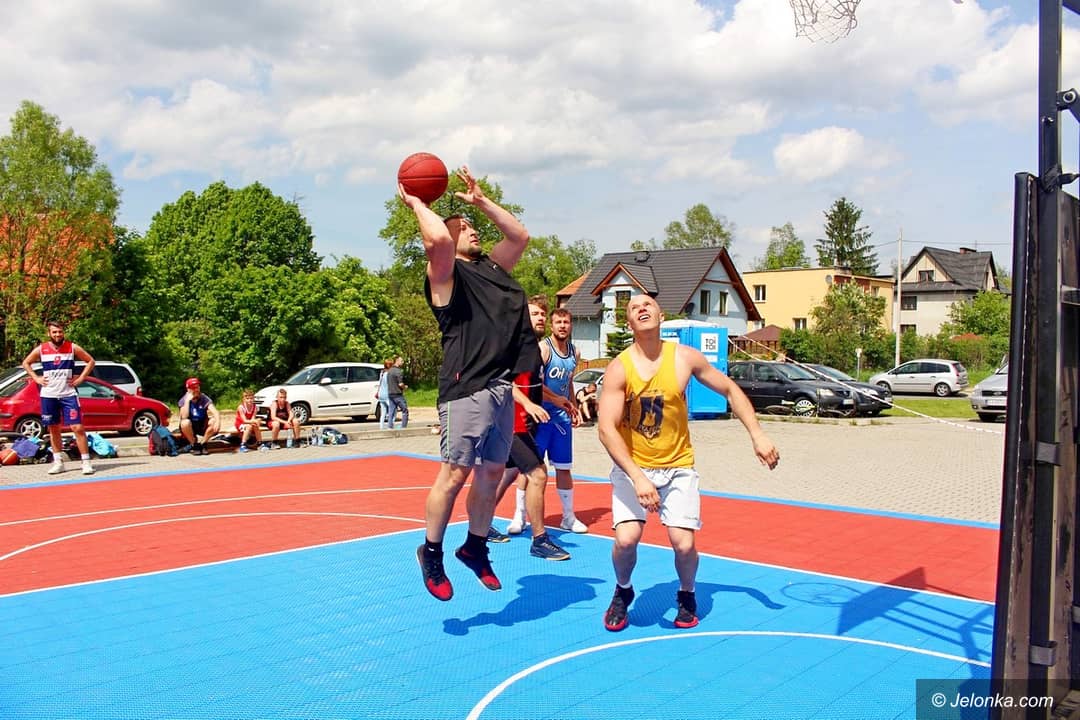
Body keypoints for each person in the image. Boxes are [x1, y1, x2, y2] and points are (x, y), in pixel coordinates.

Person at [597, 294, 780, 632]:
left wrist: (757, 434)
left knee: (683, 544)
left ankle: (686, 593)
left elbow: (730, 390)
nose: (642, 308)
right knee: (626, 540)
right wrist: (637, 477)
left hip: (677, 466)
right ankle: (623, 590)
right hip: (633, 467)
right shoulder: (620, 368)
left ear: (660, 315)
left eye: (648, 304)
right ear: (629, 323)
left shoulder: (684, 357)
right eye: (634, 307)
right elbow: (606, 429)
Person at [400, 165, 540, 602]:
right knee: (456, 472)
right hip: (466, 386)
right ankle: (431, 551)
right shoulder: (446, 277)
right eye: (463, 228)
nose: (472, 230)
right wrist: (417, 203)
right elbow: (438, 243)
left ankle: (475, 547)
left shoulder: (493, 269)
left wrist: (481, 201)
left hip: (500, 386)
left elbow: (519, 236)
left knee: (493, 471)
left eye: (473, 226)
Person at [493, 296, 570, 560]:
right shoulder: (513, 347)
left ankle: (480, 525)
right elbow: (505, 384)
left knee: (506, 474)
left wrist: (556, 399)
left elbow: (535, 385)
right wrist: (528, 404)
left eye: (542, 314)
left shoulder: (533, 349)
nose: (540, 318)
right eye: (534, 314)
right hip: (511, 423)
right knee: (538, 474)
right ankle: (539, 539)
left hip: (527, 423)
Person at [20, 320, 96, 475]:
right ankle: (58, 462)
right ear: (49, 333)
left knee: (77, 427)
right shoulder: (41, 349)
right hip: (49, 394)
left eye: (60, 331)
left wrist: (81, 378)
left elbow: (90, 361)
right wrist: (36, 378)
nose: (57, 334)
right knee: (54, 428)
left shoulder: (72, 347)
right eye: (54, 332)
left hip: (68, 393)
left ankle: (86, 462)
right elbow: (26, 363)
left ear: (63, 332)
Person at [534, 307, 586, 533]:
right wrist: (555, 400)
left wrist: (574, 407)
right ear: (551, 325)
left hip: (561, 418)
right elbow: (534, 384)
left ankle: (568, 516)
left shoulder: (575, 352)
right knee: (532, 467)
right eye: (558, 322)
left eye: (566, 322)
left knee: (564, 468)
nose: (562, 326)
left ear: (571, 325)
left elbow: (569, 382)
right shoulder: (543, 349)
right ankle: (520, 515)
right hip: (540, 415)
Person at [179, 377, 220, 456]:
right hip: (190, 426)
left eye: (197, 387)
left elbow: (215, 412)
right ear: (188, 389)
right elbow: (184, 416)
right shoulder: (183, 400)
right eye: (193, 388)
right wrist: (187, 401)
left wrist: (218, 422)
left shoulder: (204, 398)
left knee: (214, 421)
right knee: (184, 423)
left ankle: (203, 444)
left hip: (201, 424)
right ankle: (194, 445)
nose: (196, 390)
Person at [386, 356, 410, 429]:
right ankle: (403, 427)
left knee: (391, 412)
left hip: (390, 394)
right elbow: (400, 384)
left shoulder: (389, 371)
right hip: (398, 394)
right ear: (397, 361)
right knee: (405, 410)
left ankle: (390, 427)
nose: (403, 362)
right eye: (401, 361)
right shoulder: (398, 371)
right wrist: (405, 387)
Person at [376, 359, 393, 430]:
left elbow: (380, 383)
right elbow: (389, 384)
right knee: (392, 410)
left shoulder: (382, 373)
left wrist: (378, 392)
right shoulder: (389, 374)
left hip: (381, 394)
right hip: (387, 394)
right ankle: (390, 426)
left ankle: (381, 427)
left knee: (383, 413)